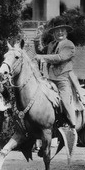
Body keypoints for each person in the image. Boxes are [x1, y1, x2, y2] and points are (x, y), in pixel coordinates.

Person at [34, 16, 79, 146]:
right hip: (49, 78)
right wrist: (37, 38)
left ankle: (72, 126)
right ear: (53, 33)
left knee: (64, 100)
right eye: (57, 31)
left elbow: (59, 57)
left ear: (66, 32)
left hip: (63, 78)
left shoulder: (69, 45)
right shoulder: (51, 44)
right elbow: (40, 51)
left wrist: (42, 57)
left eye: (62, 31)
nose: (60, 33)